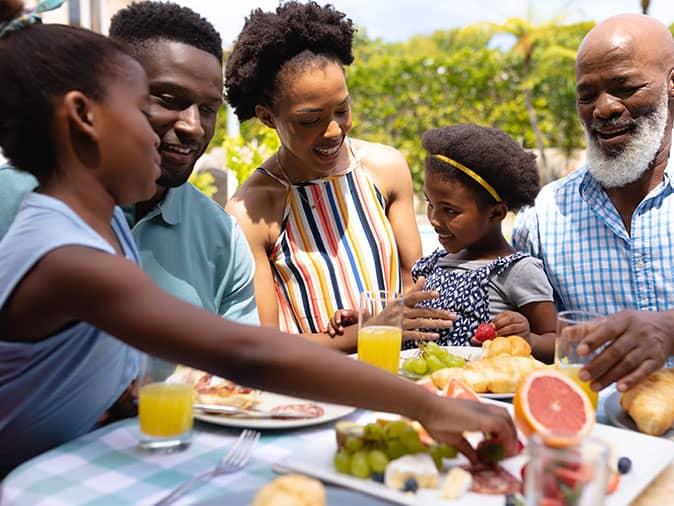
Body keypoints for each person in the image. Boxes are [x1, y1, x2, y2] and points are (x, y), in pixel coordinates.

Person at [0, 1, 516, 472]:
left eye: (206, 110)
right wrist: (430, 406)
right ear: (84, 117)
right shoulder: (68, 255)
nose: (182, 130)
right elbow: (248, 352)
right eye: (145, 108)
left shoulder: (99, 222)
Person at [0, 0, 258, 324]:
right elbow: (244, 351)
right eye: (166, 99)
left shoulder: (221, 238)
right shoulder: (16, 206)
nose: (193, 126)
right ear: (89, 107)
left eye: (208, 109)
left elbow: (237, 364)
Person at [224, 2, 454, 351]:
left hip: (397, 376)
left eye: (342, 110)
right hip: (313, 395)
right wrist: (364, 332)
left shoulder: (384, 170)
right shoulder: (254, 211)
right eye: (309, 119)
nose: (333, 131)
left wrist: (377, 324)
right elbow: (265, 346)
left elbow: (414, 290)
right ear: (268, 116)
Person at [511, 14, 674, 390]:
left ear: (671, 83)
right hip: (595, 437)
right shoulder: (542, 219)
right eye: (587, 96)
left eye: (626, 87)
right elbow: (530, 348)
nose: (604, 108)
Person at [408, 125, 556, 358]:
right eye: (429, 203)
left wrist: (527, 339)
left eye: (449, 210)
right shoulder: (432, 265)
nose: (434, 219)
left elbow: (554, 340)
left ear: (496, 214)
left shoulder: (517, 271)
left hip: (480, 388)